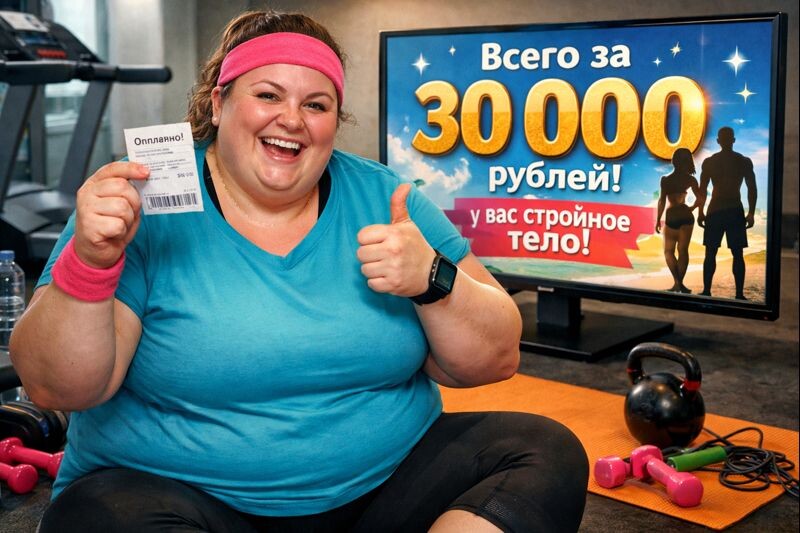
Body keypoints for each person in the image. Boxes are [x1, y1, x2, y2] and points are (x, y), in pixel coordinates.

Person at [9, 9, 588, 533]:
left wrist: (433, 279)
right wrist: (92, 261)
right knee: (99, 519)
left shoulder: (386, 198)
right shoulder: (139, 201)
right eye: (268, 95)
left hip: (383, 491)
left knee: (542, 449)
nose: (292, 119)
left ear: (335, 119)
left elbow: (493, 359)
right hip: (182, 500)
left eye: (316, 104)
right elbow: (60, 387)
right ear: (218, 103)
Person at [697, 127, 757, 299]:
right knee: (736, 253)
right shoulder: (743, 161)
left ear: (718, 141)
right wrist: (751, 213)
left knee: (711, 252)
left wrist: (701, 212)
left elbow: (702, 190)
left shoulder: (710, 162)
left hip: (716, 209)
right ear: (733, 140)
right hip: (733, 209)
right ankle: (738, 294)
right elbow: (751, 188)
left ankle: (707, 291)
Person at [655, 147, 701, 294]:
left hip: (672, 215)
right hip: (686, 215)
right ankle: (680, 285)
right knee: (683, 251)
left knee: (668, 251)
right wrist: (692, 208)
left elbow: (662, 201)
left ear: (674, 161)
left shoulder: (666, 180)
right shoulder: (691, 180)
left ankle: (677, 283)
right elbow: (701, 198)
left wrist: (658, 219)